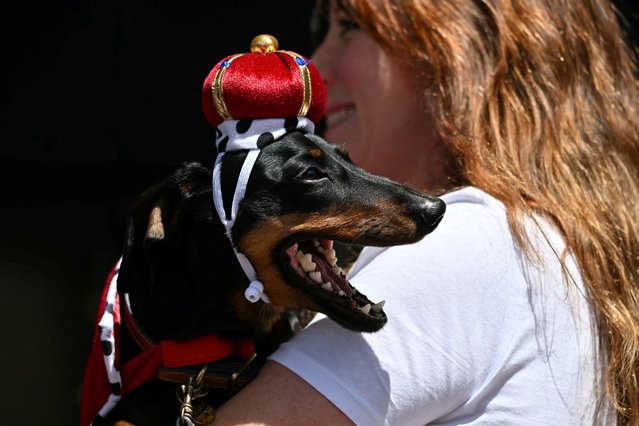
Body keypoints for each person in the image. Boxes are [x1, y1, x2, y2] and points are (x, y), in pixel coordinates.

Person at [213, 0, 639, 424]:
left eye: (351, 26)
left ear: (463, 49)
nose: (316, 64)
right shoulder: (543, 249)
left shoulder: (468, 249)